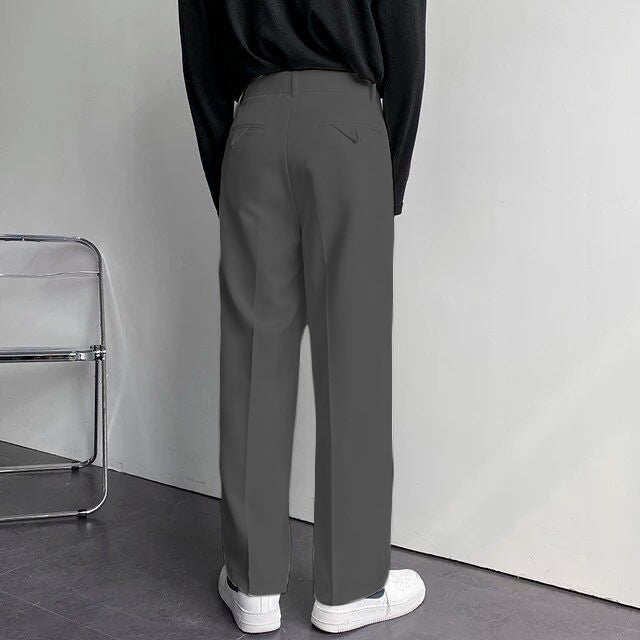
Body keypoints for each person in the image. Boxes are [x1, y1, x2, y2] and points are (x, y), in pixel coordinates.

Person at [179, 1, 426, 634]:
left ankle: (252, 583)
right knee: (355, 361)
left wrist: (232, 166)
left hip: (253, 129)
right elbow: (403, 40)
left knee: (252, 359)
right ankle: (351, 588)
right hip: (348, 128)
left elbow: (201, 62)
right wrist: (387, 176)